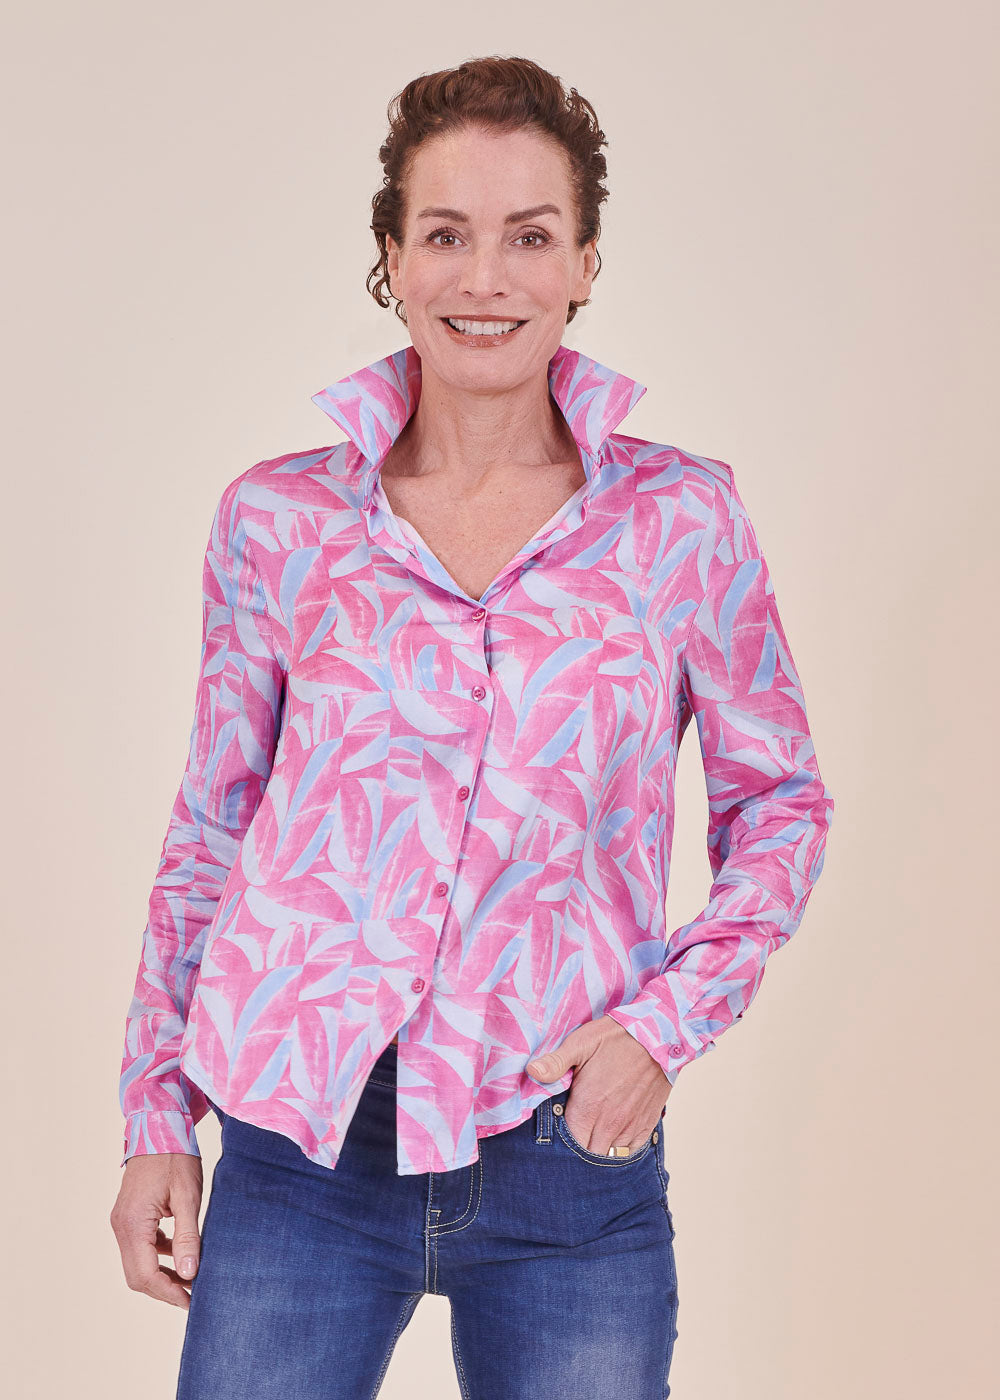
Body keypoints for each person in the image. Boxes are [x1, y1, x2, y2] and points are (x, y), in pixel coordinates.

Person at [110, 54, 834, 1399]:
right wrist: (158, 1111)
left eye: (530, 237)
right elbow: (214, 821)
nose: (485, 277)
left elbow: (781, 803)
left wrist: (665, 1029)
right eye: (445, 235)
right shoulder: (280, 521)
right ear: (392, 259)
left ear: (586, 263)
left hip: (566, 1156)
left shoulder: (682, 522)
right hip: (301, 1151)